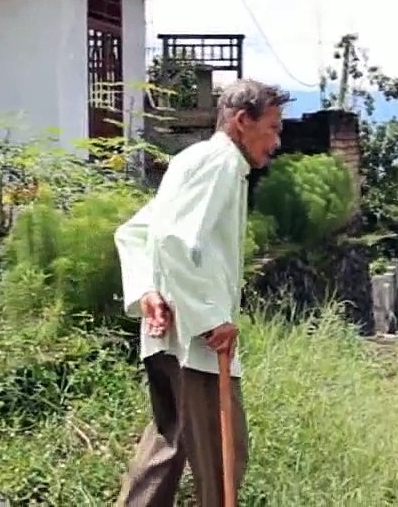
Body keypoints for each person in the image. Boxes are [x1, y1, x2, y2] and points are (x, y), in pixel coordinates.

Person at [114, 79, 289, 506]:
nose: (277, 141)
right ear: (242, 121)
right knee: (224, 462)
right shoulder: (221, 163)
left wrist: (147, 291)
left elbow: (137, 232)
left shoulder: (195, 160)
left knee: (166, 452)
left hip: (168, 336)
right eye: (273, 127)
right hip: (198, 342)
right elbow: (175, 240)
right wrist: (213, 317)